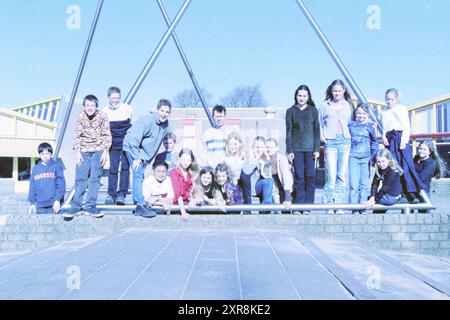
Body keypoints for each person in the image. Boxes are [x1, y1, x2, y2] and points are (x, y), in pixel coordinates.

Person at [123, 98, 171, 218]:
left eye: (167, 112)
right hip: (132, 147)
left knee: (141, 177)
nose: (164, 114)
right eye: (162, 111)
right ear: (157, 110)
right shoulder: (146, 121)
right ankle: (139, 206)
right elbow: (134, 141)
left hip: (144, 153)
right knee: (138, 172)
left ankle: (142, 202)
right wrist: (137, 158)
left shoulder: (165, 125)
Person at [65, 94, 111, 218]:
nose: (90, 108)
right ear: (84, 106)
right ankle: (76, 206)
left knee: (95, 178)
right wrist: (77, 152)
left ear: (96, 106)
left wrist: (105, 152)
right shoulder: (80, 116)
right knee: (81, 178)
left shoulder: (102, 116)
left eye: (92, 105)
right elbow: (77, 135)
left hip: (98, 150)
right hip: (83, 151)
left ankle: (90, 206)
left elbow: (106, 134)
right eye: (87, 105)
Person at [382, 88, 426, 202]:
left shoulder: (401, 109)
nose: (389, 101)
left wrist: (404, 141)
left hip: (401, 138)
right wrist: (383, 136)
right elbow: (384, 126)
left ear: (396, 99)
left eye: (391, 99)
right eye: (387, 99)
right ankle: (396, 191)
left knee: (406, 166)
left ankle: (412, 192)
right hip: (390, 138)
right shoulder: (384, 111)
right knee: (393, 166)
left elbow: (406, 126)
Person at [319, 80, 354, 215]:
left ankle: (339, 204)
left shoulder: (349, 105)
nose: (337, 93)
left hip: (345, 141)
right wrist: (323, 138)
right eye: (335, 91)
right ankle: (328, 205)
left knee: (341, 175)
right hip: (331, 142)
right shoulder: (324, 106)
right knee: (331, 175)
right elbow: (320, 122)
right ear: (331, 91)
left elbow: (354, 122)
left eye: (339, 90)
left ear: (344, 90)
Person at [286, 85, 320, 213]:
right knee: (299, 176)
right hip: (297, 149)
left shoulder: (313, 111)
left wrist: (317, 148)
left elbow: (317, 131)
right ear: (296, 96)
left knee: (310, 176)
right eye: (299, 95)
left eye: (304, 96)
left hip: (311, 150)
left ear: (308, 97)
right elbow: (288, 132)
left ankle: (307, 206)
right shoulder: (290, 111)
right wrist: (289, 150)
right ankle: (298, 205)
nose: (302, 98)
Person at [102, 87, 133, 206]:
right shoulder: (104, 110)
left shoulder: (128, 109)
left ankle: (121, 194)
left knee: (125, 168)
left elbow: (131, 126)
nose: (115, 100)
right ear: (108, 98)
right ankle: (111, 194)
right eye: (113, 98)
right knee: (113, 168)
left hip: (125, 142)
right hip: (113, 143)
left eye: (117, 98)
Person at [348, 103, 379, 214]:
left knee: (364, 185)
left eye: (364, 113)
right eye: (359, 113)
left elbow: (374, 143)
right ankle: (354, 208)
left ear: (368, 114)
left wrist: (373, 158)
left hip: (366, 159)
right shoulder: (351, 125)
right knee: (353, 185)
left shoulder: (370, 126)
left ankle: (363, 207)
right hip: (353, 158)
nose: (361, 115)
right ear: (355, 114)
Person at [28, 143, 66, 215]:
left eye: (47, 153)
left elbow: (61, 185)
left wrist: (58, 200)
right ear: (39, 154)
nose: (45, 156)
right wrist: (32, 203)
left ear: (51, 154)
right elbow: (32, 187)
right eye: (42, 154)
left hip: (54, 205)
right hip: (40, 206)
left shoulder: (56, 167)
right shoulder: (35, 169)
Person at [363, 149, 404, 213]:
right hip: (386, 194)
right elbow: (374, 184)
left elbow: (385, 188)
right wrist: (372, 196)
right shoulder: (380, 169)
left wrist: (373, 199)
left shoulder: (392, 171)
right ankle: (376, 216)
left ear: (388, 160)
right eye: (378, 162)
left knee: (371, 200)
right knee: (371, 198)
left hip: (393, 197)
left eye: (383, 161)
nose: (381, 164)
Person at [414, 140, 446, 213]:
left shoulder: (431, 163)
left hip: (423, 192)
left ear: (430, 151)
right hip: (412, 191)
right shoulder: (415, 159)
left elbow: (421, 178)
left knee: (425, 216)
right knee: (407, 214)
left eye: (424, 149)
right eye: (420, 148)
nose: (421, 151)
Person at [169, 148, 200, 220]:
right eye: (183, 159)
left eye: (188, 160)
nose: (185, 162)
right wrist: (183, 212)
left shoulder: (192, 172)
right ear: (179, 159)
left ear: (191, 161)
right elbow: (178, 194)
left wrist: (193, 199)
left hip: (188, 202)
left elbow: (194, 190)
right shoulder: (174, 172)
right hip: (178, 204)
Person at [265, 138, 293, 211]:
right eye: (267, 147)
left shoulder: (282, 159)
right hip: (278, 190)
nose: (269, 149)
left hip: (287, 190)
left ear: (276, 148)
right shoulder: (265, 160)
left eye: (271, 147)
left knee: (286, 209)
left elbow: (286, 178)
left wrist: (288, 198)